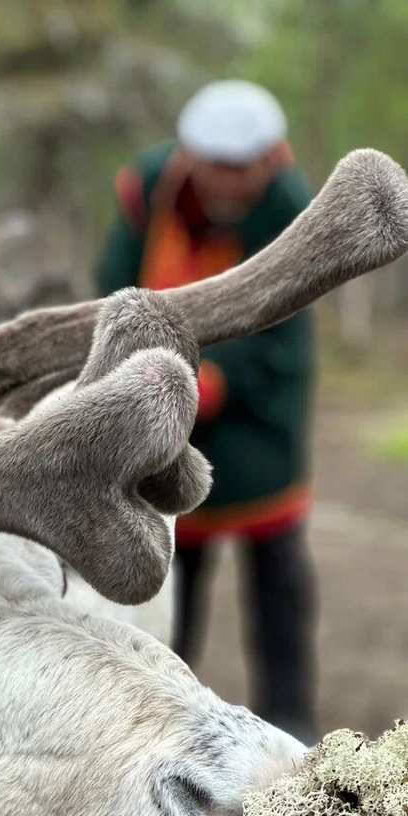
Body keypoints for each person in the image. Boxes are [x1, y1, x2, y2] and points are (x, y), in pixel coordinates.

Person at [96, 80, 318, 743]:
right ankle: (163, 727)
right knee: (167, 586)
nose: (227, 180)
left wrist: (209, 380)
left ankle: (292, 718)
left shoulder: (296, 215)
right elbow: (113, 286)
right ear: (191, 155)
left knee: (277, 588)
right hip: (163, 430)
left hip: (257, 434)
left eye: (241, 165)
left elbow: (286, 342)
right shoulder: (149, 195)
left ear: (270, 158)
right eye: (214, 163)